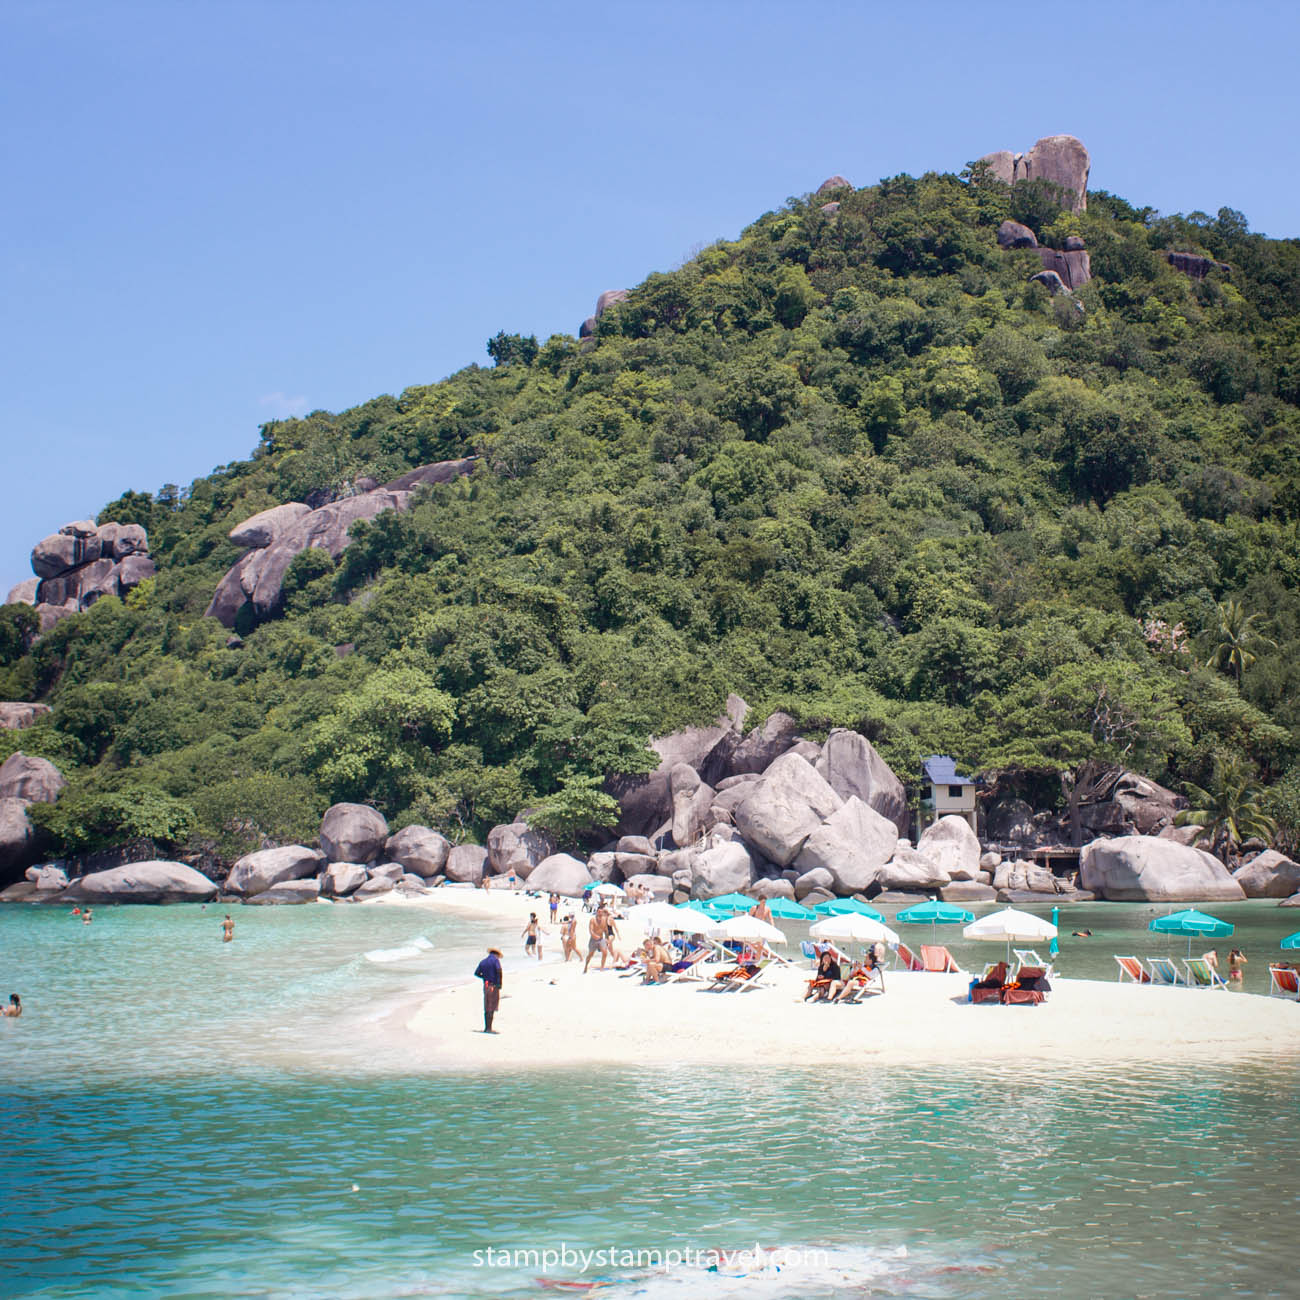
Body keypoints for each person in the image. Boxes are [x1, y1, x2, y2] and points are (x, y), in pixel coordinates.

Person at [474, 948, 503, 1033]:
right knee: (492, 1006)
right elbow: (499, 971)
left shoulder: (483, 962)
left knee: (487, 1006)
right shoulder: (495, 961)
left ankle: (487, 1027)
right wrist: (499, 984)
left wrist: (485, 978)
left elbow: (476, 973)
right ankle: (489, 1029)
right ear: (496, 954)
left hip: (486, 985)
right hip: (493, 986)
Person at [584, 907, 610, 973]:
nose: (600, 913)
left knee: (605, 952)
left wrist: (607, 939)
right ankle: (586, 966)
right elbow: (591, 930)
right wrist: (595, 936)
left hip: (601, 939)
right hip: (593, 939)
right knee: (590, 954)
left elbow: (606, 931)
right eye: (599, 912)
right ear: (596, 912)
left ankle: (602, 968)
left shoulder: (604, 920)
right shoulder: (593, 920)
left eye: (601, 912)